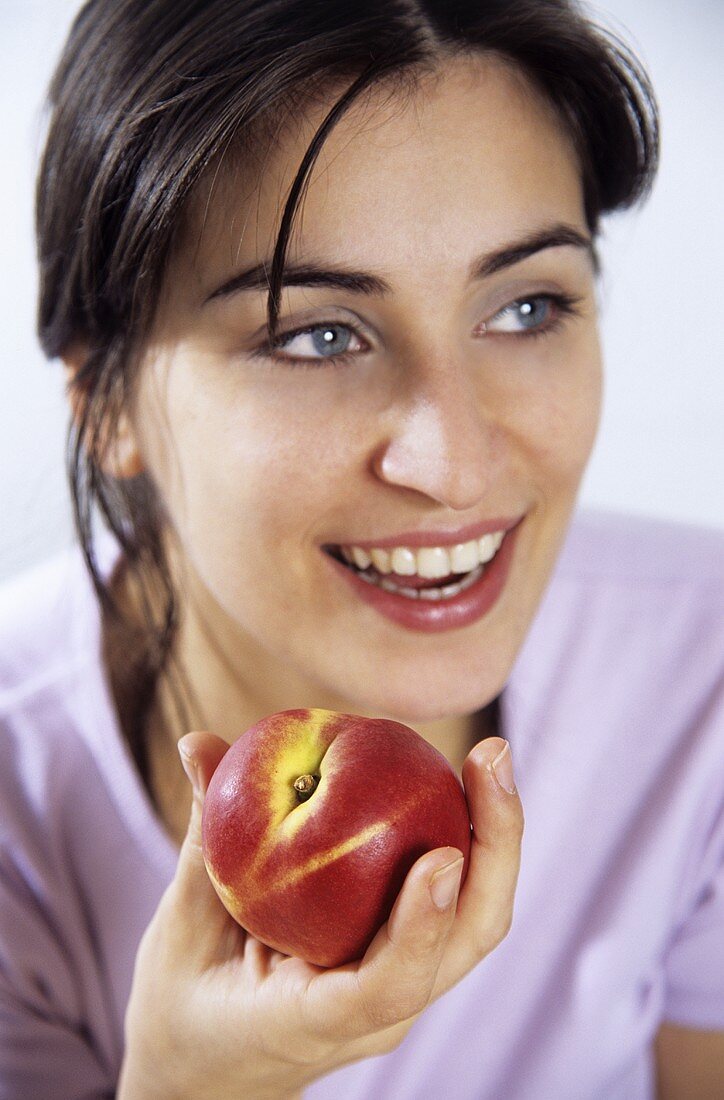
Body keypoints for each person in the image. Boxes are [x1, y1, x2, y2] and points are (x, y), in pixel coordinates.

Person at [1, 0, 722, 1096]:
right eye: (317, 333)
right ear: (106, 399)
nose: (458, 463)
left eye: (527, 305)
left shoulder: (700, 675)